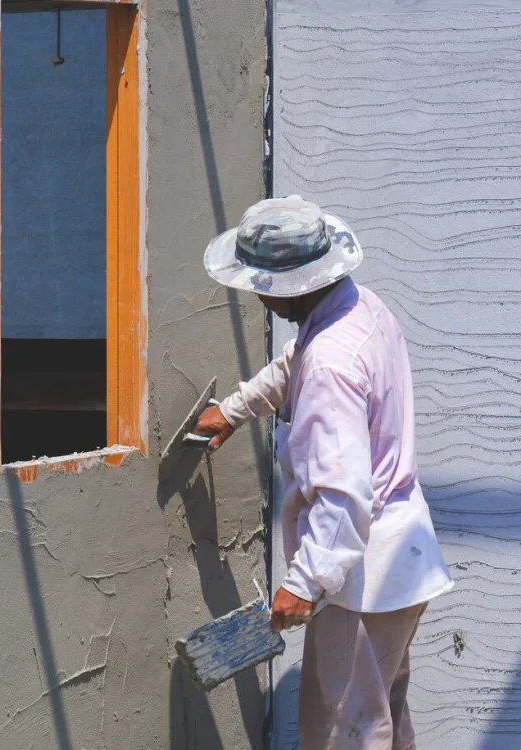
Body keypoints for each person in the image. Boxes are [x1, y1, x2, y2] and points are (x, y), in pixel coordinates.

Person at [194, 196, 453, 749]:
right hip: (399, 566)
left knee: (345, 736)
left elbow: (342, 495)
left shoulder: (332, 363)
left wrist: (304, 582)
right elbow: (295, 362)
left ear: (291, 284)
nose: (257, 295)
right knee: (384, 721)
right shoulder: (359, 309)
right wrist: (236, 409)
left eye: (261, 283)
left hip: (361, 580)